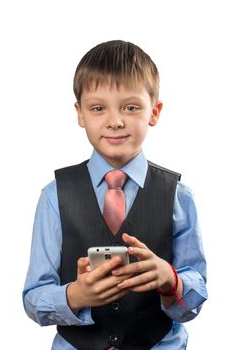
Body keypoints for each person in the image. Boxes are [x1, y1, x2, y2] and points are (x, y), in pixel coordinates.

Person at [23, 40, 207, 350]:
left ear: (155, 111)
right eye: (98, 108)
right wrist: (77, 296)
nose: (115, 120)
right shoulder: (55, 196)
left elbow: (194, 296)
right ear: (80, 113)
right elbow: (33, 298)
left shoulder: (180, 197)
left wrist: (170, 280)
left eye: (131, 107)